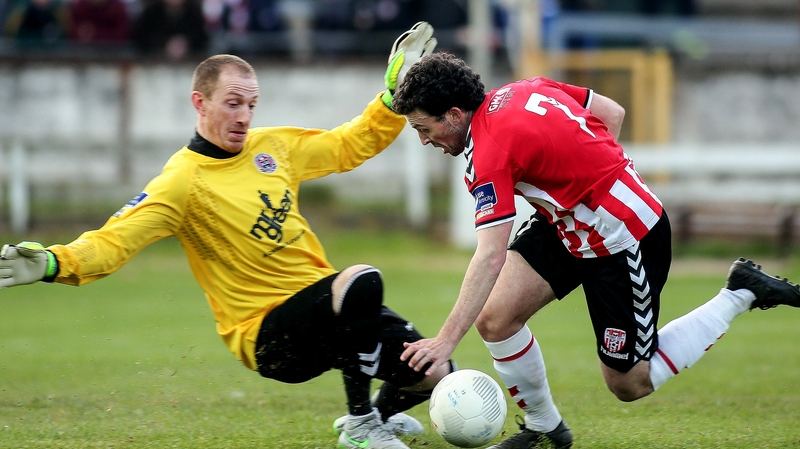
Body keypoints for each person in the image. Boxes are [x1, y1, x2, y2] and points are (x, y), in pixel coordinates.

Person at [0, 23, 446, 449]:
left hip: (326, 307)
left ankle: (376, 415)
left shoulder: (272, 147)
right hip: (267, 334)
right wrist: (54, 262)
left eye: (251, 105)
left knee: (435, 371)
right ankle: (362, 426)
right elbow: (113, 242)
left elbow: (347, 145)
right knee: (361, 280)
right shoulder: (182, 181)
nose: (244, 116)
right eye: (233, 103)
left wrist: (392, 98)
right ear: (200, 102)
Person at [391, 52, 800, 449]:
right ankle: (545, 429)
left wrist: (445, 341)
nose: (425, 140)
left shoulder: (488, 154)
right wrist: (586, 180)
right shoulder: (526, 88)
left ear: (454, 115)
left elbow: (490, 255)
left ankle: (740, 293)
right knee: (495, 319)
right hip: (570, 223)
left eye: (424, 128)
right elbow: (611, 112)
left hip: (625, 236)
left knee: (629, 383)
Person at [132, 0, 208, 60]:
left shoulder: (194, 12)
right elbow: (142, 37)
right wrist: (164, 44)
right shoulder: (151, 12)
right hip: (154, 62)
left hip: (190, 62)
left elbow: (201, 38)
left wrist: (185, 43)